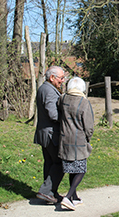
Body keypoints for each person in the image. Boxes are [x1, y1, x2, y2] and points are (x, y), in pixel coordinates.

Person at [57, 77, 94, 211]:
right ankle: (68, 197)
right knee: (81, 170)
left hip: (64, 139)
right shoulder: (84, 103)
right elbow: (89, 126)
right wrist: (88, 137)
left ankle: (75, 197)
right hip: (78, 141)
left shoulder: (62, 99)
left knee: (72, 168)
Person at [33, 66, 66, 204]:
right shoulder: (49, 91)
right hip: (51, 134)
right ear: (52, 77)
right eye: (61, 78)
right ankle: (46, 191)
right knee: (61, 163)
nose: (62, 81)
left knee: (50, 163)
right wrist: (67, 117)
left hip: (43, 133)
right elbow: (53, 114)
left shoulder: (43, 88)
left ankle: (50, 193)